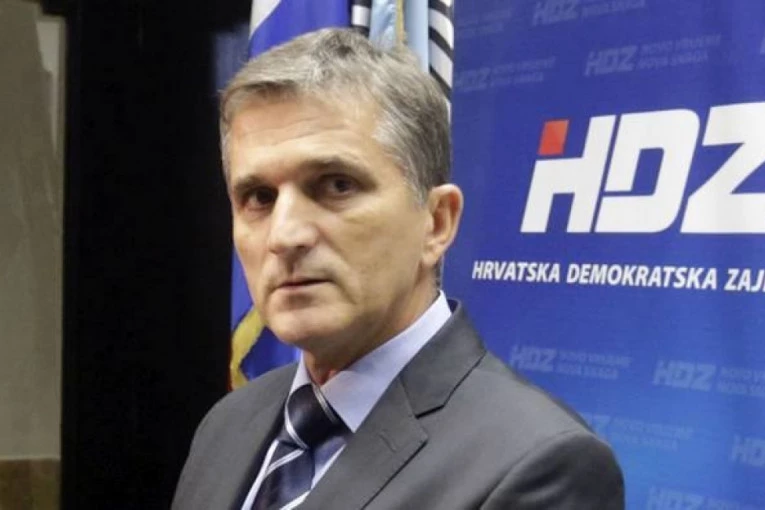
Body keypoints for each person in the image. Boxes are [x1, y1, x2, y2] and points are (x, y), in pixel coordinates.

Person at [172, 28, 624, 510]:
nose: (284, 236)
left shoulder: (540, 463)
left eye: (336, 185)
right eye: (259, 197)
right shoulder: (228, 423)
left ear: (437, 222)